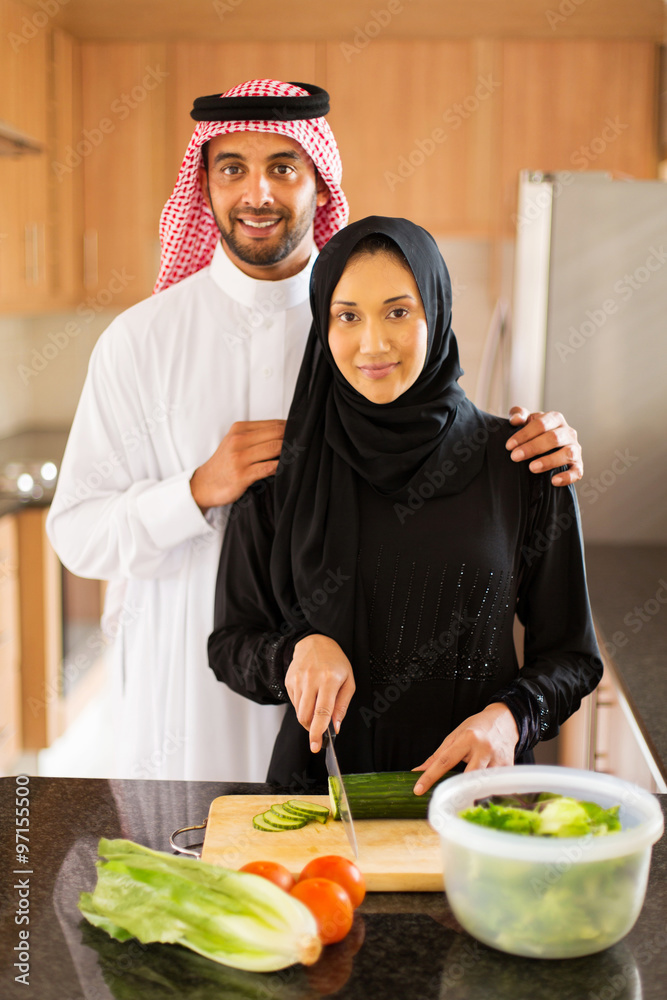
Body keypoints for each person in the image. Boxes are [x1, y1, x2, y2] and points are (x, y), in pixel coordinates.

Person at [47, 79, 584, 783]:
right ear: (202, 186)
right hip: (193, 680)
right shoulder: (140, 341)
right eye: (232, 168)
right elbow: (77, 534)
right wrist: (195, 490)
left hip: (367, 704)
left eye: (284, 167)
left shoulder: (356, 313)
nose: (257, 193)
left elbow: (448, 470)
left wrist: (542, 443)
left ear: (321, 185)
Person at [208, 217, 603, 792]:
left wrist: (512, 717)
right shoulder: (282, 475)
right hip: (321, 802)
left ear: (436, 314)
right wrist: (296, 650)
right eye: (348, 316)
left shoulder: (523, 463)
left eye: (398, 311)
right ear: (324, 324)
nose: (373, 343)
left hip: (477, 799)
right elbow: (231, 644)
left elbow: (572, 655)